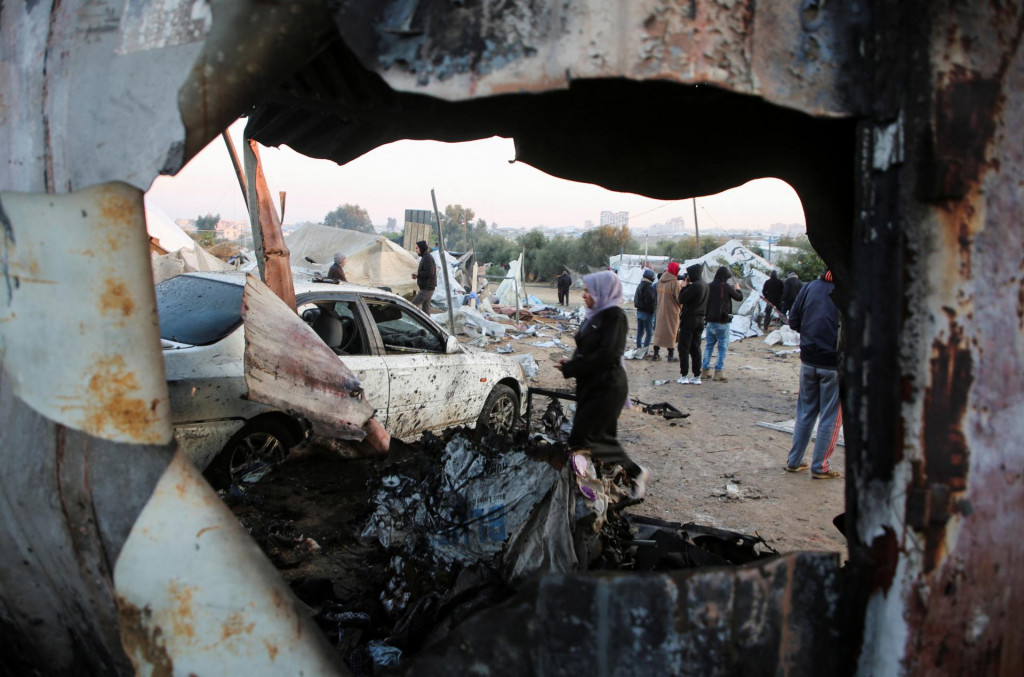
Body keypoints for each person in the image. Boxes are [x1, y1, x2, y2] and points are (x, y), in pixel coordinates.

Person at [556, 271, 650, 499]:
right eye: (585, 290)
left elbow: (606, 355)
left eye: (589, 291)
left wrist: (572, 368)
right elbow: (588, 350)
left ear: (603, 292)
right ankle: (587, 484)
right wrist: (572, 363)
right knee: (591, 438)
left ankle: (635, 473)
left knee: (590, 439)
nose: (584, 295)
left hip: (607, 388)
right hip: (592, 386)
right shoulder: (594, 315)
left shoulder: (614, 317)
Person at [785, 270, 843, 479]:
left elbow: (794, 321)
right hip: (834, 363)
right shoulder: (851, 290)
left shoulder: (809, 287)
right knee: (830, 417)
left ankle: (794, 461)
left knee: (805, 412)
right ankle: (820, 467)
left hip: (808, 360)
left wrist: (811, 335)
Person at [701, 266, 743, 382]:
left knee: (709, 346)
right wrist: (738, 289)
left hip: (710, 321)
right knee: (722, 348)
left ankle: (705, 371)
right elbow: (739, 298)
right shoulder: (726, 287)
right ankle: (718, 372)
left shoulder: (709, 286)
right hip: (722, 322)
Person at [676, 263, 709, 384]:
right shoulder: (705, 285)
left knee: (683, 347)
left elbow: (681, 299)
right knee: (696, 347)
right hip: (700, 319)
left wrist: (684, 287)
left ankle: (684, 375)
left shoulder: (695, 286)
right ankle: (697, 375)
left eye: (689, 274)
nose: (687, 276)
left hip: (689, 319)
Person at [651, 262, 681, 361]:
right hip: (672, 312)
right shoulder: (675, 283)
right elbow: (679, 299)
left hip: (660, 310)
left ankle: (655, 354)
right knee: (671, 332)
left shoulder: (660, 281)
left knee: (659, 331)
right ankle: (670, 355)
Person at [633, 268, 656, 352]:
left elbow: (636, 300)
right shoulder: (648, 287)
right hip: (647, 313)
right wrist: (653, 310)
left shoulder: (640, 285)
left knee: (640, 332)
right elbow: (650, 301)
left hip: (639, 311)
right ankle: (645, 351)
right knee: (649, 333)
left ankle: (639, 349)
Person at [410, 240, 437, 312]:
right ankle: (427, 323)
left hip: (426, 289)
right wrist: (417, 275)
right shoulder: (425, 257)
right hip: (427, 288)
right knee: (426, 310)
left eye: (417, 248)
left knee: (411, 307)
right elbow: (426, 272)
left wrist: (418, 274)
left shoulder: (427, 258)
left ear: (421, 248)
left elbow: (429, 273)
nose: (416, 250)